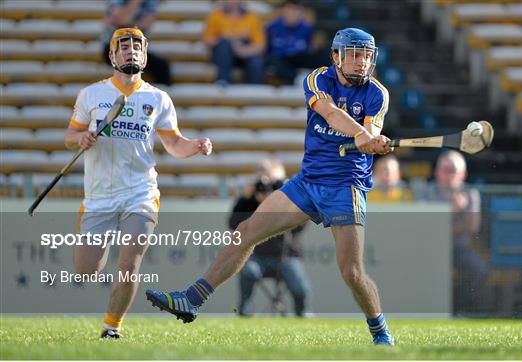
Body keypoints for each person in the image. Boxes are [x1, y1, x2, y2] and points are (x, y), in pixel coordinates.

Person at [146, 28, 395, 346]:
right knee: (246, 231)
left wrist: (372, 140)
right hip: (308, 182)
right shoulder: (317, 79)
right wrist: (360, 133)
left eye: (366, 56)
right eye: (354, 55)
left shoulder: (377, 93)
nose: (361, 62)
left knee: (351, 272)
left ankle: (380, 332)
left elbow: (372, 130)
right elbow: (329, 112)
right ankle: (191, 299)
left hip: (345, 187)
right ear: (336, 57)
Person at [67, 28, 212, 339]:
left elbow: (174, 144)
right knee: (86, 269)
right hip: (99, 196)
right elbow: (70, 137)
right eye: (123, 47)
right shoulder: (91, 95)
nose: (130, 52)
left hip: (141, 192)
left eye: (136, 47)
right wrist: (81, 137)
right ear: (112, 55)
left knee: (129, 263)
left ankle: (111, 328)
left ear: (145, 55)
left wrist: (195, 146)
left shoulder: (159, 98)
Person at [230, 160, 311, 317]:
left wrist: (286, 201)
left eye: (277, 184)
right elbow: (233, 224)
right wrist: (245, 200)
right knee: (247, 271)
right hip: (256, 256)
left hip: (287, 255)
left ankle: (303, 313)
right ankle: (244, 312)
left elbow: (299, 227)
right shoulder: (249, 202)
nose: (270, 189)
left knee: (300, 287)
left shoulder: (291, 201)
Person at [422, 151, 488, 314]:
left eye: (454, 170)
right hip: (430, 250)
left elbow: (473, 228)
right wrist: (456, 211)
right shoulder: (426, 192)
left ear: (463, 174)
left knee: (478, 270)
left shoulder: (471, 194)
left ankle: (455, 309)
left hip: (459, 249)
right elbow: (427, 228)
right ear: (437, 172)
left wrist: (446, 224)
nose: (450, 175)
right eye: (446, 170)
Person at [102, 0, 172, 86]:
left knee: (162, 68)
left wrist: (124, 24)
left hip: (136, 48)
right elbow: (121, 19)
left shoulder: (149, 2)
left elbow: (146, 23)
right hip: (114, 48)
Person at [203, 0, 265, 85]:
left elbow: (260, 45)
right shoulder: (216, 15)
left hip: (243, 54)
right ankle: (223, 81)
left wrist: (242, 51)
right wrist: (227, 40)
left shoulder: (252, 17)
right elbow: (207, 40)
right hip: (222, 55)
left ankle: (256, 89)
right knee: (225, 44)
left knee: (256, 62)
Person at [266, 0, 328, 84]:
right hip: (281, 58)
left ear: (300, 12)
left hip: (299, 57)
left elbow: (311, 47)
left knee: (325, 57)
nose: (291, 14)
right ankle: (297, 79)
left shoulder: (307, 28)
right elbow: (266, 48)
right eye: (288, 11)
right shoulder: (272, 27)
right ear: (283, 12)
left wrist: (314, 48)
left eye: (294, 11)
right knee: (275, 63)